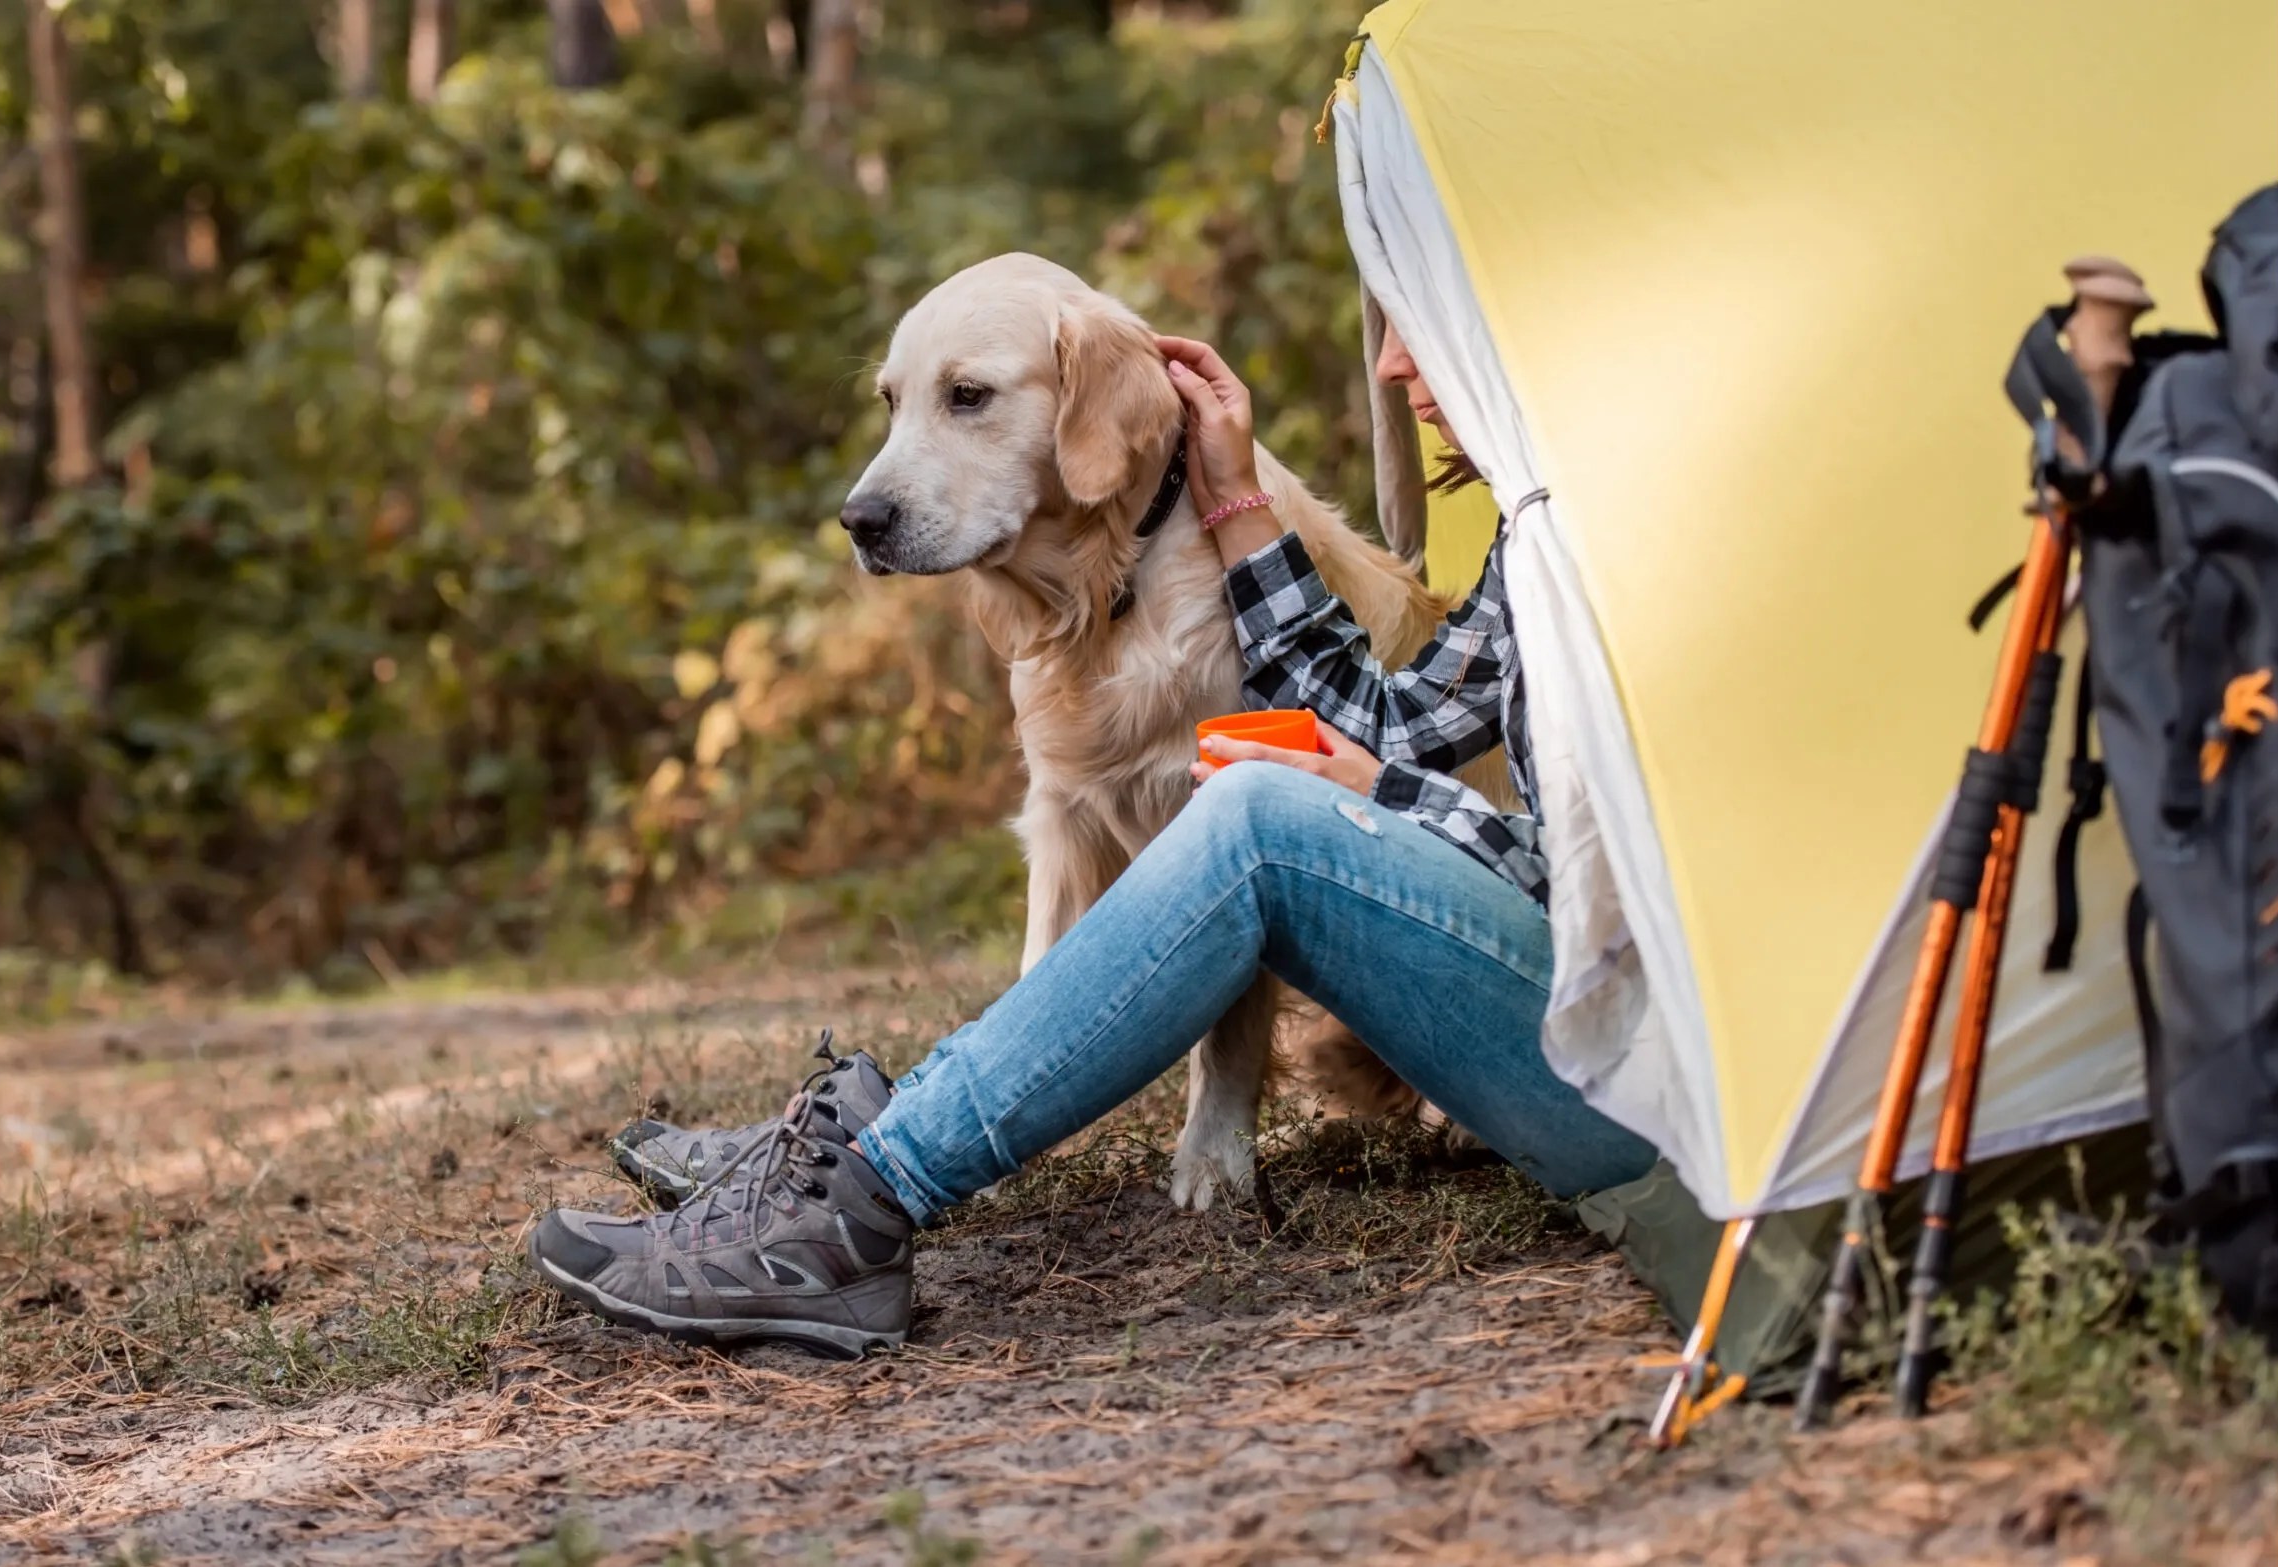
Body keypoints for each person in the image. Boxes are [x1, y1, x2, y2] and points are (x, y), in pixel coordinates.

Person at [526, 327, 1659, 1356]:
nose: (1391, 364)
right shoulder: (1547, 525)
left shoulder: (1652, 520)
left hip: (1657, 1087)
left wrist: (1391, 800)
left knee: (1258, 817)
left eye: (1433, 319)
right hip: (1584, 1032)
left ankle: (845, 1207)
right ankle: (831, 1168)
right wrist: (1235, 498)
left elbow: (1643, 893)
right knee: (1270, 794)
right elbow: (1385, 723)